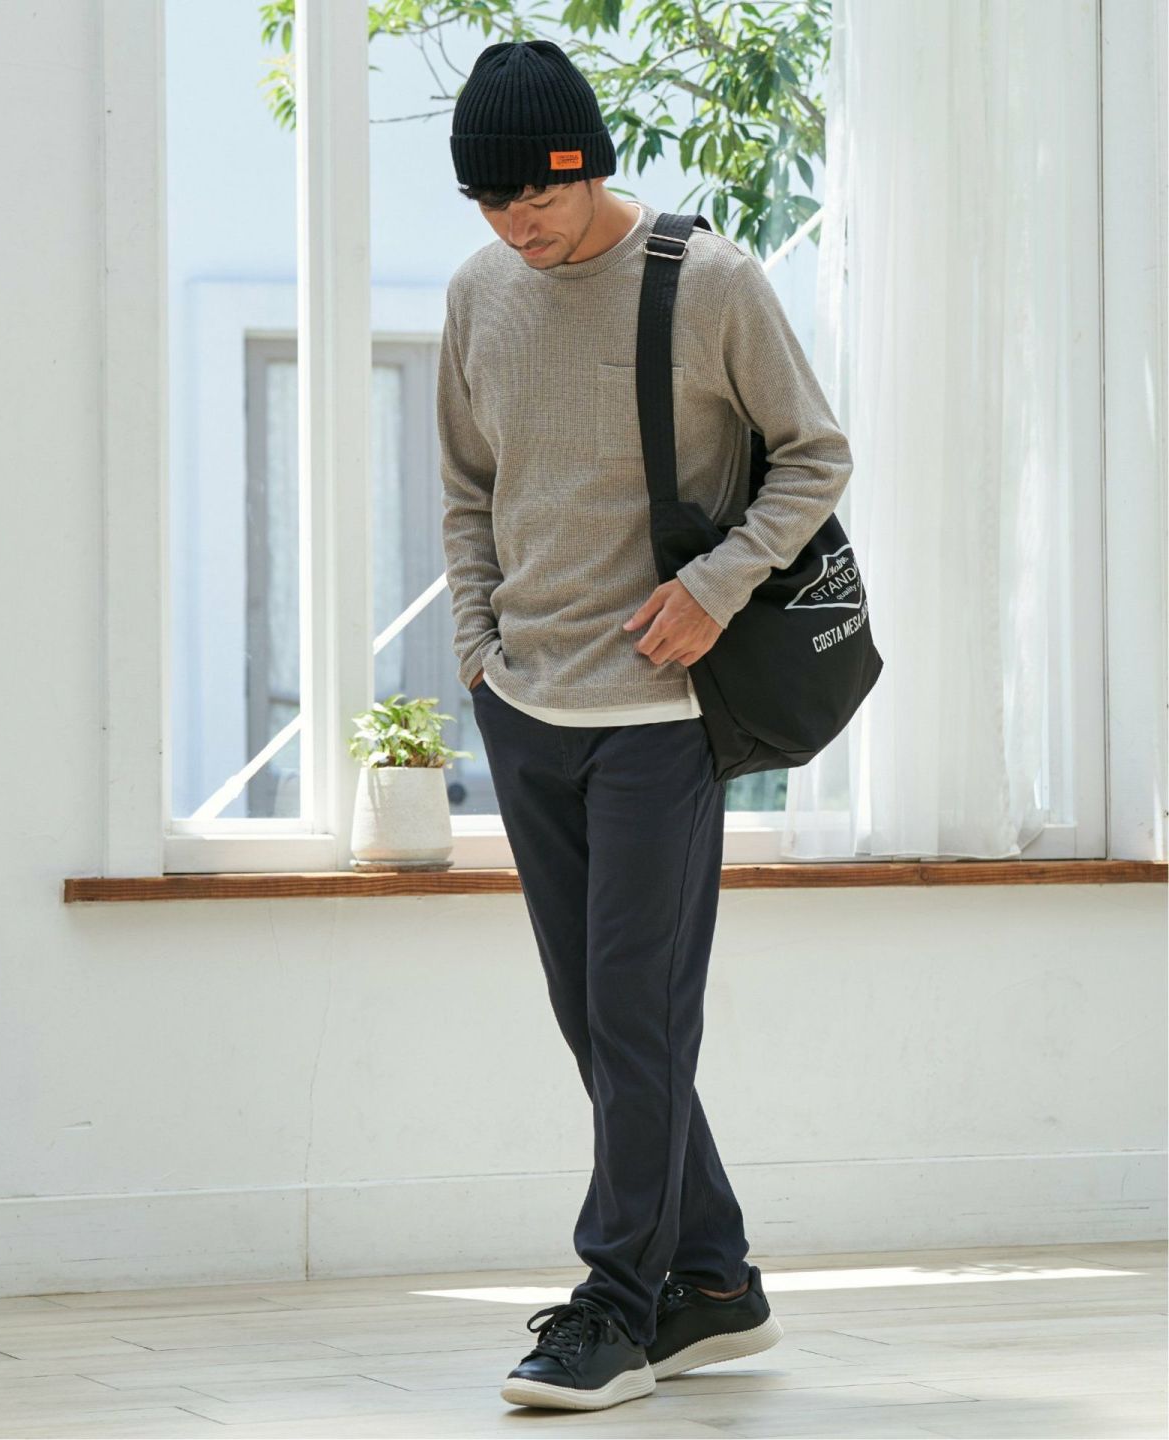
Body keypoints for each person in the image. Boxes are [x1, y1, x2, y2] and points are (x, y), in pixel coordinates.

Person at [438, 37, 852, 1413]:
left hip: (663, 713)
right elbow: (466, 485)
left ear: (590, 166)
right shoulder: (478, 291)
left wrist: (717, 588)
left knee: (633, 1011)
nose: (518, 227)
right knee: (602, 1018)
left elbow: (816, 453)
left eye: (538, 198)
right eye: (490, 203)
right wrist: (477, 649)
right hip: (525, 704)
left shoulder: (709, 281)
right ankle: (715, 1282)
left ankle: (615, 1306)